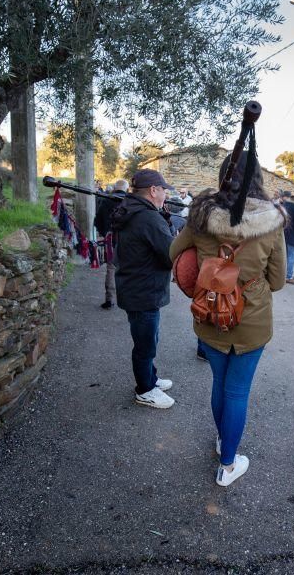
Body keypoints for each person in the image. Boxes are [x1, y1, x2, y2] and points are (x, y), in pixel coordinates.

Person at [170, 151, 286, 487]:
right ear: (259, 180)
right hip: (252, 320)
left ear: (222, 176)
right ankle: (228, 464)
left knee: (220, 383)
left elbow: (173, 255)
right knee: (237, 391)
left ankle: (224, 441)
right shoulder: (273, 221)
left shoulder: (200, 216)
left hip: (209, 314)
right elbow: (277, 281)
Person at [111, 169, 177, 409]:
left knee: (149, 339)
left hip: (136, 287)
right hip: (143, 291)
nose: (165, 194)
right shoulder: (148, 217)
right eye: (164, 189)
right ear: (153, 190)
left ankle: (151, 378)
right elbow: (171, 254)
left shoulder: (133, 210)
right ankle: (145, 390)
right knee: (145, 344)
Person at [93, 179, 128, 309]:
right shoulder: (131, 202)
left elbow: (97, 221)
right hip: (129, 242)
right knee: (129, 269)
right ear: (126, 189)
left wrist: (105, 233)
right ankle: (128, 299)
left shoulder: (106, 200)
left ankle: (110, 300)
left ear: (114, 188)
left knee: (111, 269)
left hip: (111, 240)